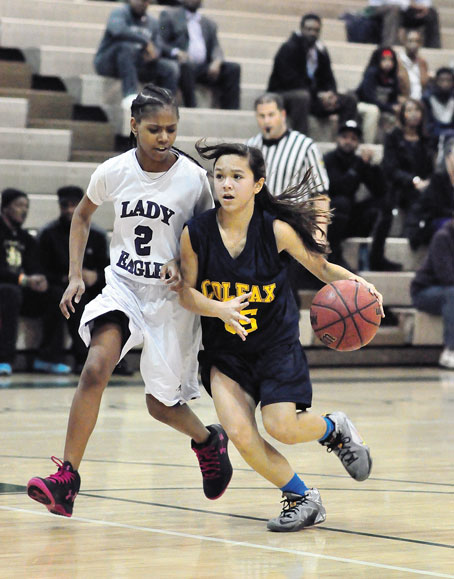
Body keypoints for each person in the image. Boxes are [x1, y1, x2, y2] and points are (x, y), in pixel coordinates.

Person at [27, 84, 232, 518]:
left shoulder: (194, 179)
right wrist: (72, 276)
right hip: (122, 287)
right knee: (95, 368)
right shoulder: (113, 170)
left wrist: (183, 263)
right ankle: (67, 479)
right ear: (134, 125)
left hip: (172, 300)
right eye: (155, 129)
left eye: (172, 129)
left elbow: (208, 236)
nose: (164, 137)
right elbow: (82, 216)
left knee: (159, 405)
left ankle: (207, 440)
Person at [177, 140, 384, 531]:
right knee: (239, 432)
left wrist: (362, 285)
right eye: (219, 176)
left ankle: (333, 427)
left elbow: (321, 268)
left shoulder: (276, 231)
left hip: (275, 346)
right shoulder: (196, 233)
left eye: (237, 177)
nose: (226, 184)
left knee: (282, 427)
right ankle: (302, 498)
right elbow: (186, 292)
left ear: (257, 184)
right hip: (226, 352)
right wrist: (219, 309)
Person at [246, 92, 330, 293]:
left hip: (292, 226)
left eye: (271, 115)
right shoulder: (250, 147)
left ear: (282, 114)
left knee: (287, 292)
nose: (266, 121)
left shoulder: (304, 145)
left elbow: (320, 194)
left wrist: (320, 235)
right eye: (262, 116)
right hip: (257, 228)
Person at [38, 186, 109, 374]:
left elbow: (109, 269)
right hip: (60, 287)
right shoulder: (48, 234)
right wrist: (67, 277)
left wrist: (96, 276)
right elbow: (41, 270)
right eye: (65, 205)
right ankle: (82, 358)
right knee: (73, 299)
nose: (69, 210)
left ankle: (112, 359)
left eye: (73, 205)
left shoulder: (98, 235)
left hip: (93, 287)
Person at [0, 189, 71, 376]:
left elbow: (35, 266)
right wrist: (23, 279)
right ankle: (4, 359)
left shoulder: (26, 238)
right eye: (19, 205)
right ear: (6, 207)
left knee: (55, 293)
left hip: (20, 290)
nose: (23, 210)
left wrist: (40, 280)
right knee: (10, 292)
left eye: (26, 206)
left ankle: (47, 358)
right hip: (6, 289)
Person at [323, 119, 402, 271]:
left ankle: (377, 257)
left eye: (353, 139)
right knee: (341, 202)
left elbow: (380, 190)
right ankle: (333, 256)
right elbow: (340, 188)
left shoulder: (357, 161)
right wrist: (360, 165)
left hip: (351, 219)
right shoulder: (329, 159)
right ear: (337, 139)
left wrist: (373, 167)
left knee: (385, 202)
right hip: (330, 221)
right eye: (345, 137)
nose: (348, 141)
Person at [267, 13, 357, 136]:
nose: (312, 33)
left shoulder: (320, 50)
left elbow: (329, 78)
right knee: (302, 97)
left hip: (312, 97)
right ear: (301, 29)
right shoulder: (288, 48)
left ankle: (346, 139)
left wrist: (331, 94)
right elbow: (290, 81)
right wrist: (319, 95)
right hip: (285, 95)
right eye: (309, 29)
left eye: (316, 30)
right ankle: (301, 140)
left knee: (349, 100)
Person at [94, 0, 179, 110]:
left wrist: (154, 54)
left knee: (170, 67)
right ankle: (130, 95)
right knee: (126, 47)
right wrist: (145, 41)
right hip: (109, 63)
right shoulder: (119, 12)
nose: (141, 3)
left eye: (145, 1)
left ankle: (165, 104)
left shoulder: (152, 22)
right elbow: (118, 31)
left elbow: (158, 45)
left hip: (136, 64)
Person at [159, 0, 240, 109]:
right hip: (182, 65)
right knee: (186, 66)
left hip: (204, 68)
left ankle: (231, 111)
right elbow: (160, 42)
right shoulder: (169, 16)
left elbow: (216, 47)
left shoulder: (209, 23)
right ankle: (192, 106)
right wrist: (176, 52)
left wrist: (217, 61)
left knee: (233, 69)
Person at [382, 97, 434, 240]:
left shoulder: (426, 139)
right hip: (399, 186)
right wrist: (414, 181)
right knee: (415, 196)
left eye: (417, 110)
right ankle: (410, 235)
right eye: (409, 110)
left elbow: (431, 167)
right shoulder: (393, 137)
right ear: (402, 114)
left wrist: (428, 181)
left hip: (423, 185)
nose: (414, 114)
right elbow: (390, 169)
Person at [411, 219, 454, 369]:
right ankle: (450, 351)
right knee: (452, 294)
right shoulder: (443, 237)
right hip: (425, 292)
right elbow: (447, 276)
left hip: (446, 291)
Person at [356, 46, 403, 141]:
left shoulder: (393, 78)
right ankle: (368, 144)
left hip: (382, 107)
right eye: (384, 59)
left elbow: (393, 99)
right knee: (373, 111)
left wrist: (395, 107)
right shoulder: (371, 73)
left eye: (390, 60)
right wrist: (390, 108)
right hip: (363, 104)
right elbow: (368, 98)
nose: (388, 63)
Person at [367, 0, 441, 49]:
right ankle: (390, 46)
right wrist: (410, 4)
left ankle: (433, 47)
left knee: (431, 12)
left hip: (405, 8)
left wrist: (425, 7)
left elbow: (425, 2)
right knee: (394, 10)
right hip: (380, 7)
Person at [422, 67, 454, 146]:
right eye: (442, 80)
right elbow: (427, 124)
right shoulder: (427, 97)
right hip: (433, 135)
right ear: (436, 81)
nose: (445, 84)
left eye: (449, 80)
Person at [398, 28, 430, 101]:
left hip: (421, 102)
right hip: (404, 102)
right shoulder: (397, 62)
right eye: (410, 41)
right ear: (404, 42)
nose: (414, 44)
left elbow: (424, 86)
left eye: (417, 41)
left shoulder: (422, 63)